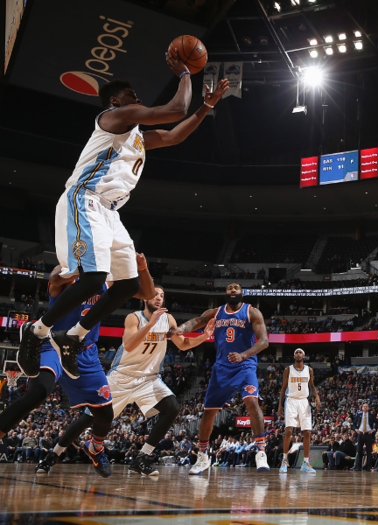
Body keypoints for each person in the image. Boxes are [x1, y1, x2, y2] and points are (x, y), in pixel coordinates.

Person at [17, 45, 229, 382]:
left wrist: (207, 105)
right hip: (84, 200)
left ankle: (73, 336)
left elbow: (174, 136)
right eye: (132, 95)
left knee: (129, 284)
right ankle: (37, 330)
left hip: (110, 212)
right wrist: (186, 72)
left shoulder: (137, 137)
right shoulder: (111, 119)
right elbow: (175, 109)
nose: (138, 98)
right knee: (94, 278)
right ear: (116, 102)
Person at [1, 258, 154, 477]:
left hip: (84, 351)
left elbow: (147, 293)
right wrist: (81, 269)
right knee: (38, 392)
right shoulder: (66, 271)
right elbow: (54, 278)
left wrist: (141, 267)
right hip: (53, 343)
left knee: (105, 414)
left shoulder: (106, 280)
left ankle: (95, 447)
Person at [39, 285, 214, 477]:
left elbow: (182, 344)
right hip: (121, 377)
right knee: (87, 419)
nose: (159, 298)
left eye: (162, 296)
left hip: (149, 379)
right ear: (145, 297)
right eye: (155, 294)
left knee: (172, 407)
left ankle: (142, 458)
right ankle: (52, 456)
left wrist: (204, 336)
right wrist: (150, 324)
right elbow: (129, 345)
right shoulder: (134, 317)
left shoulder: (168, 319)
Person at [169, 282, 270, 475]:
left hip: (245, 365)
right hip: (222, 368)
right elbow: (195, 322)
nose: (232, 290)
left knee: (251, 401)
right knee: (208, 413)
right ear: (225, 293)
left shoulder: (252, 312)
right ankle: (202, 456)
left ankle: (261, 451)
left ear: (242, 293)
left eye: (236, 288)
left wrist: (243, 355)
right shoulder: (215, 312)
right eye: (229, 288)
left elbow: (264, 341)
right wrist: (181, 329)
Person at [278, 348, 321, 473]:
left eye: (300, 352)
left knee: (307, 432)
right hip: (291, 400)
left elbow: (312, 386)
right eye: (296, 352)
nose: (298, 354)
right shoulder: (288, 370)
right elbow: (283, 388)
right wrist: (280, 405)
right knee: (289, 430)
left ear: (304, 355)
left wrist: (317, 397)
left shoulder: (309, 370)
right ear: (293, 356)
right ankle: (284, 460)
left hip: (304, 401)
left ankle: (306, 463)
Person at [352, 403, 378, 471]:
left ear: (368, 408)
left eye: (366, 406)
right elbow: (354, 423)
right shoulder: (359, 415)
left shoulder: (371, 415)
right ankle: (358, 467)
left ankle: (368, 467)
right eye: (364, 406)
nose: (365, 408)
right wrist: (356, 429)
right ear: (362, 408)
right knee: (359, 451)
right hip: (360, 434)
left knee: (369, 451)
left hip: (368, 434)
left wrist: (373, 430)